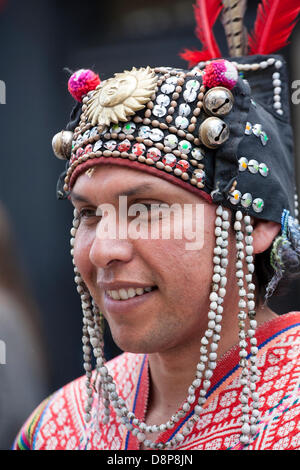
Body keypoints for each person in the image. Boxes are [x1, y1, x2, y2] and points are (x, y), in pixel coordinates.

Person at [14, 1, 300, 450]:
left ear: (255, 223)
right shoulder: (55, 428)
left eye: (146, 209)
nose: (103, 249)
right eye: (89, 213)